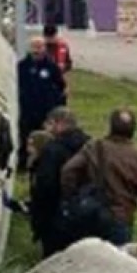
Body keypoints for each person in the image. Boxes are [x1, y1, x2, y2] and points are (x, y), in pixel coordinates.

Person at [60, 107, 137, 247]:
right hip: (120, 217)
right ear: (133, 130)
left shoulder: (94, 147)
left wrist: (72, 195)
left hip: (91, 211)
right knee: (117, 261)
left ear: (111, 126)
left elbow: (68, 170)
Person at [28, 108, 90, 257]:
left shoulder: (53, 150)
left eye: (49, 124)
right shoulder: (90, 146)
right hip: (86, 213)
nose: (46, 128)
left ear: (60, 124)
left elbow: (45, 185)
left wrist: (38, 215)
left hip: (55, 215)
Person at [15, 36, 67, 173]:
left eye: (40, 47)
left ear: (44, 48)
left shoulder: (51, 67)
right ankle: (23, 165)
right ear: (30, 48)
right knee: (26, 137)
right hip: (27, 110)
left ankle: (45, 165)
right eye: (34, 47)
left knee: (46, 139)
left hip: (46, 111)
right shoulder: (22, 67)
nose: (37, 50)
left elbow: (61, 86)